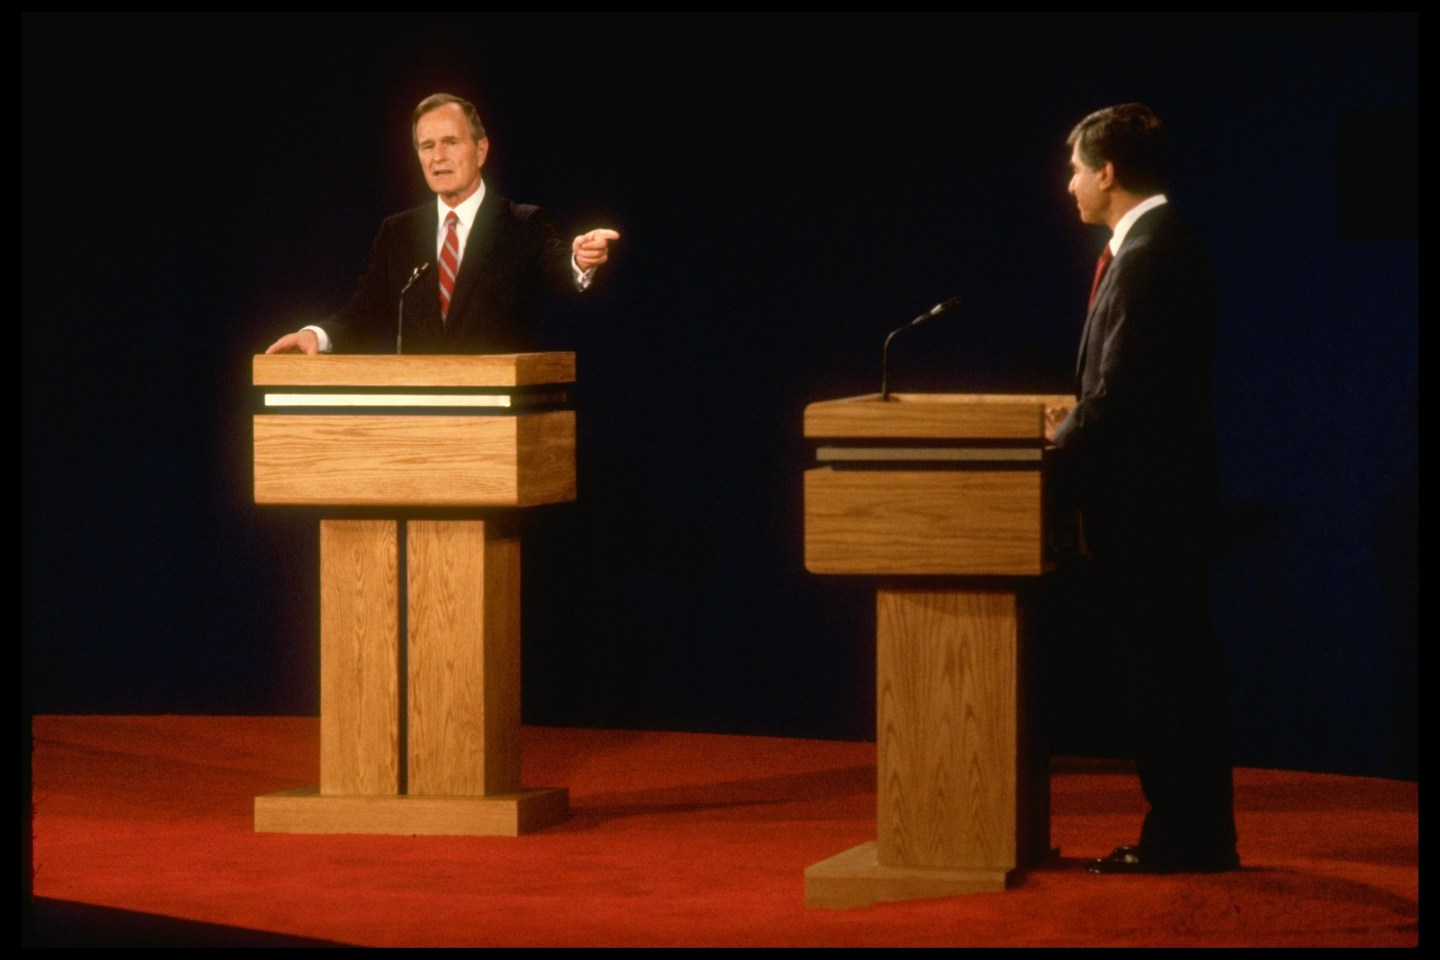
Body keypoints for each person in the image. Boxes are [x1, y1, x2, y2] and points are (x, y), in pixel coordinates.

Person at [1045, 104, 1239, 874]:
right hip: (1157, 505)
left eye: (1075, 169)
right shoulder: (1156, 245)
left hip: (1152, 511)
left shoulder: (1153, 254)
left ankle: (1187, 838)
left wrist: (1046, 464)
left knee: (1168, 676)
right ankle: (1190, 833)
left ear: (1109, 171)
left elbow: (1119, 399)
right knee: (1169, 669)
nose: (1067, 185)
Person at [267, 92, 618, 355]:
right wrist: (316, 335)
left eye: (450, 143)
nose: (437, 157)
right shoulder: (398, 233)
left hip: (499, 420)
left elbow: (560, 270)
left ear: (480, 150)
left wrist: (580, 260)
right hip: (423, 424)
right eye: (427, 146)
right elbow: (365, 311)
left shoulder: (522, 224)